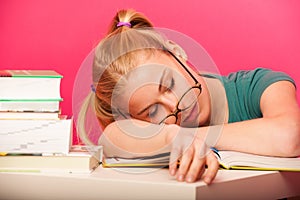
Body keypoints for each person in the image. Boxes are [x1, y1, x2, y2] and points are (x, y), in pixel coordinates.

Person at [77, 9, 300, 184]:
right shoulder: (166, 131)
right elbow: (111, 138)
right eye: (153, 111)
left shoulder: (259, 85)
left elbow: (290, 136)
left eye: (170, 83)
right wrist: (171, 137)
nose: (175, 104)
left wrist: (195, 137)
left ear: (177, 52)